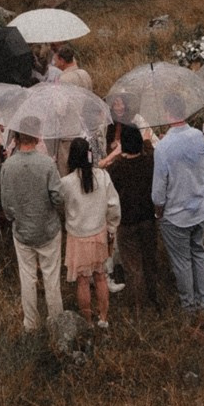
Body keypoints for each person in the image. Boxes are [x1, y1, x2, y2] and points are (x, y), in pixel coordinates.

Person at [0, 130, 65, 333]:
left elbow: (6, 202)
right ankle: (56, 322)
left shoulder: (8, 166)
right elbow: (58, 197)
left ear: (16, 139)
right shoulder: (47, 164)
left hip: (22, 230)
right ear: (37, 138)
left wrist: (14, 217)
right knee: (51, 277)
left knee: (27, 277)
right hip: (48, 228)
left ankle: (30, 324)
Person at [151, 104, 204, 331]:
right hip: (199, 208)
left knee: (182, 262)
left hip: (176, 214)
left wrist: (159, 211)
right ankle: (203, 302)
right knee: (199, 253)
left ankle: (189, 307)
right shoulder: (198, 136)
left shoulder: (163, 147)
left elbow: (158, 191)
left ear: (168, 114)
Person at [59, 135, 120, 327]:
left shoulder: (66, 182)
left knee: (83, 281)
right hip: (99, 232)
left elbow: (59, 205)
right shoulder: (102, 176)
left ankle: (88, 321)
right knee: (100, 276)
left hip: (77, 236)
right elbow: (113, 205)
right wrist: (112, 227)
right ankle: (103, 317)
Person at [102, 124, 161, 308]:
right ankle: (154, 297)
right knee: (149, 260)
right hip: (148, 218)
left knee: (133, 266)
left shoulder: (117, 168)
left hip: (126, 222)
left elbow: (108, 187)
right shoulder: (150, 162)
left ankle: (138, 305)